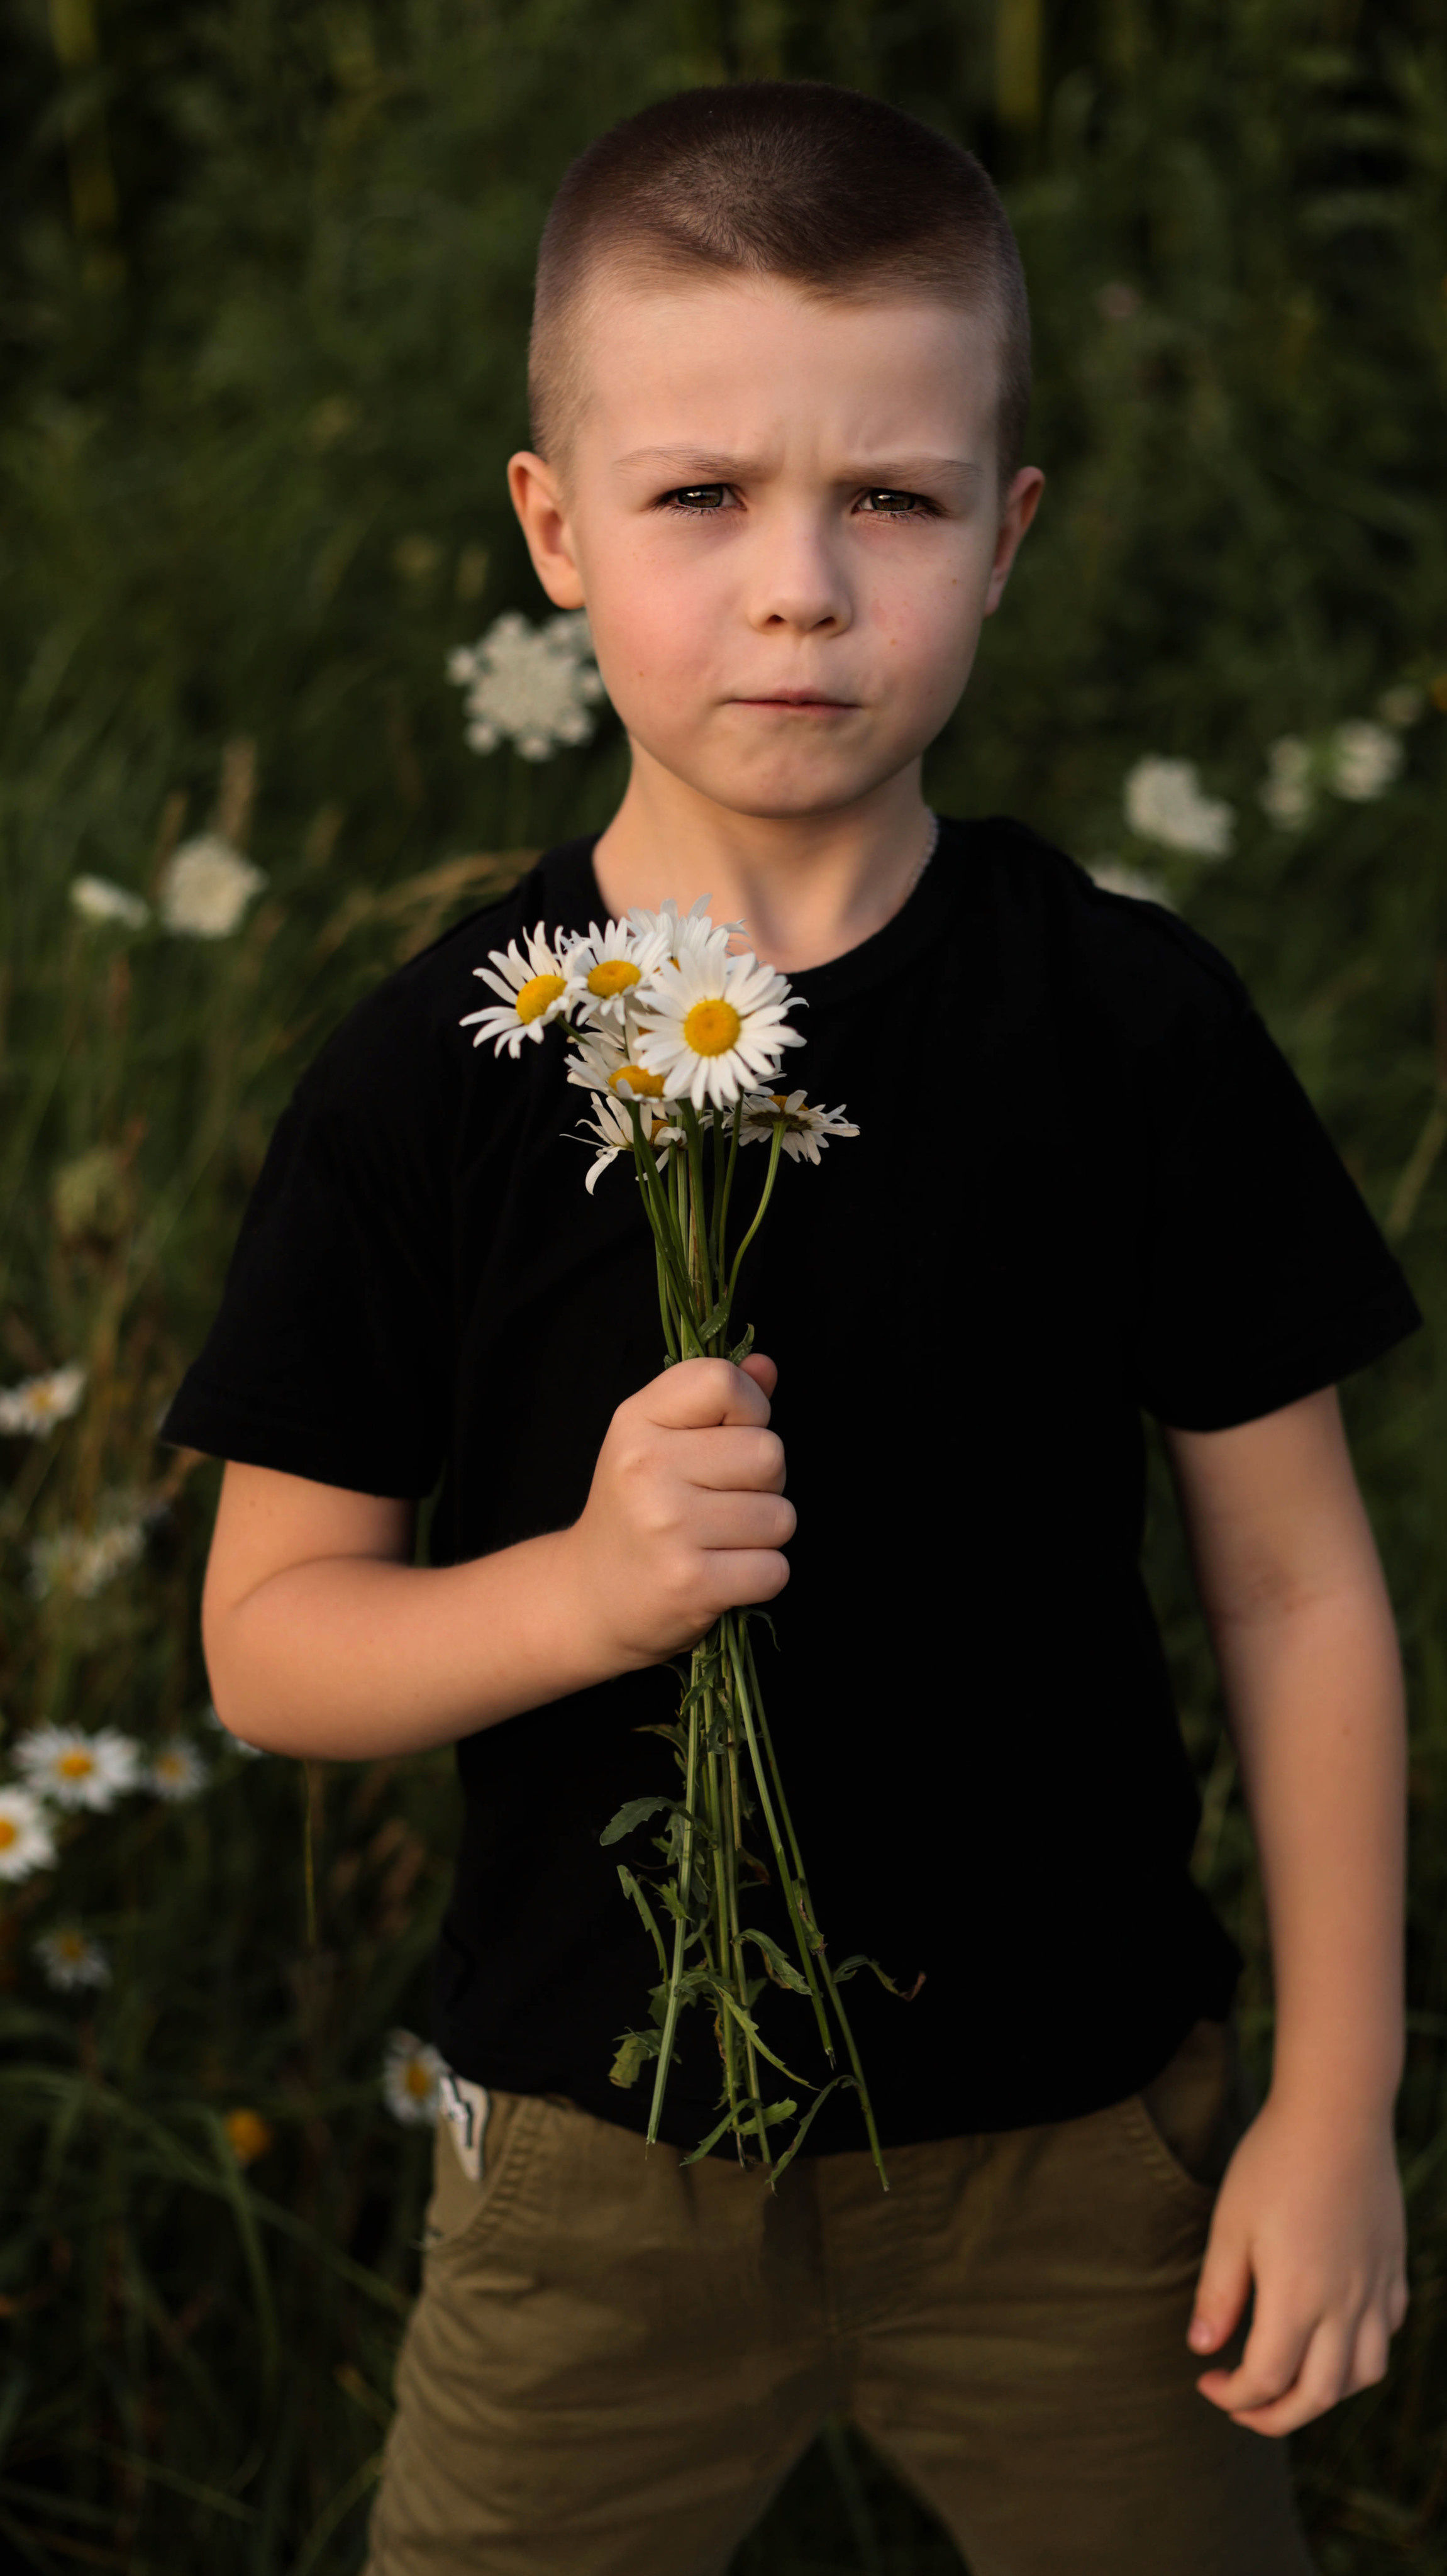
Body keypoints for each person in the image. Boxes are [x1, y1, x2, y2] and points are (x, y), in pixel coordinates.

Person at [164, 79, 1422, 2576]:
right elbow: (268, 1646)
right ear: (550, 527)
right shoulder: (441, 1073)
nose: (801, 592)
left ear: (1009, 534)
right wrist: (591, 1594)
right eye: (702, 495)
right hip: (593, 2174)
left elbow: (1296, 1587)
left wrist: (1333, 2097)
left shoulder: (1131, 1027)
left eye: (897, 499)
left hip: (1077, 2158)